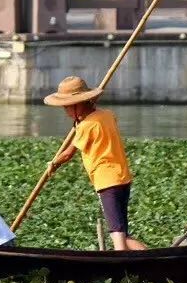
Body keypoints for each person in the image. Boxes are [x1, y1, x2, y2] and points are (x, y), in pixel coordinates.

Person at [45, 76, 147, 251]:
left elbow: (69, 153)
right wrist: (81, 119)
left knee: (116, 231)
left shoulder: (86, 126)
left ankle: (119, 265)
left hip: (106, 181)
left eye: (67, 107)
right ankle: (149, 257)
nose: (65, 111)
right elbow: (95, 121)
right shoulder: (107, 115)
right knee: (123, 232)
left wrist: (53, 163)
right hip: (123, 178)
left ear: (78, 104)